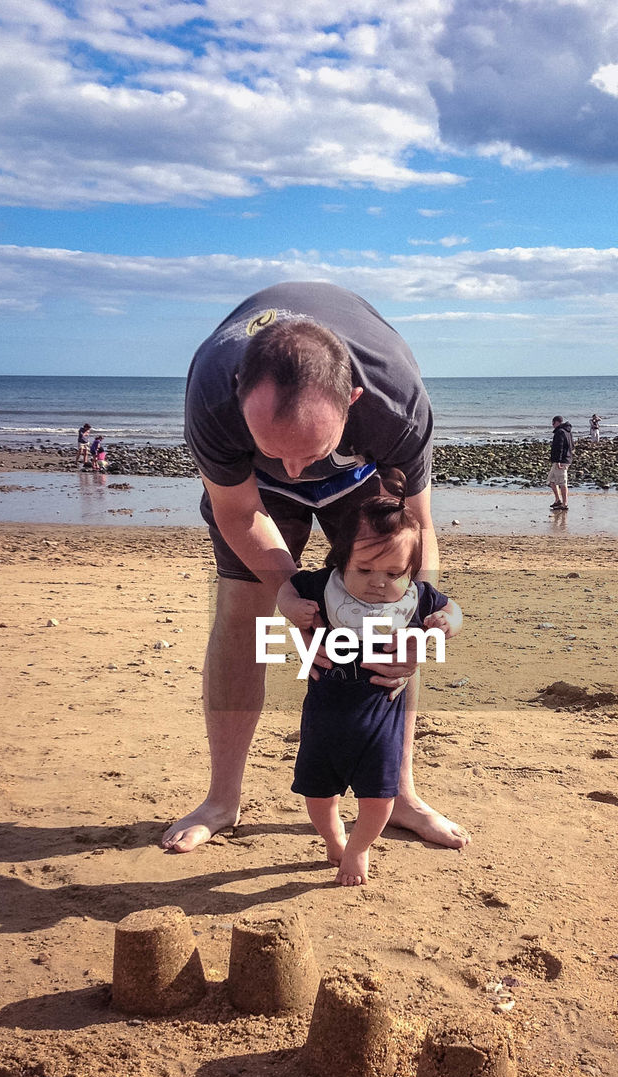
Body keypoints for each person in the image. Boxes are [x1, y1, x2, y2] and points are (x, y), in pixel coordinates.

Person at [161, 280, 468, 854]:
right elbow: (237, 509)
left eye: (309, 448)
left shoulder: (394, 402)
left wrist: (419, 626)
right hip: (257, 497)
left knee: (389, 621)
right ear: (238, 393)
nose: (297, 469)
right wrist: (289, 592)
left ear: (352, 399)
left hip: (362, 479)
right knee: (244, 618)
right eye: (276, 447)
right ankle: (222, 798)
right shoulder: (212, 394)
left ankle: (400, 793)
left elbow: (420, 530)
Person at [277, 471, 462, 887]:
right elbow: (287, 587)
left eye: (395, 573)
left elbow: (455, 610)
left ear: (411, 571)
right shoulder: (324, 586)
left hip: (381, 726)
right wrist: (292, 609)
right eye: (364, 569)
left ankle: (359, 849)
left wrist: (446, 623)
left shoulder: (416, 598)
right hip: (324, 722)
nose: (379, 582)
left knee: (379, 799)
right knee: (318, 797)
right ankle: (334, 839)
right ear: (341, 561)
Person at [548, 415, 574, 512]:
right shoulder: (568, 431)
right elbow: (572, 445)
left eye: (553, 423)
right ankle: (558, 500)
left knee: (563, 482)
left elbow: (560, 447)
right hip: (562, 459)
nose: (552, 425)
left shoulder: (560, 432)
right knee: (551, 480)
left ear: (557, 422)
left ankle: (565, 503)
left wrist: (559, 460)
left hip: (561, 461)